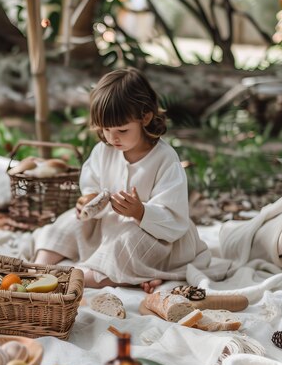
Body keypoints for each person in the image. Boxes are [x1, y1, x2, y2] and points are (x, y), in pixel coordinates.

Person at [30, 68, 211, 293]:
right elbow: (91, 184)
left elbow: (173, 217)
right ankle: (39, 265)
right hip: (107, 223)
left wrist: (140, 212)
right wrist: (88, 200)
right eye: (106, 129)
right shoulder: (103, 150)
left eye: (122, 130)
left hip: (155, 234)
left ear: (145, 117)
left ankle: (88, 276)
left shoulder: (165, 159)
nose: (112, 137)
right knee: (66, 222)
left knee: (127, 243)